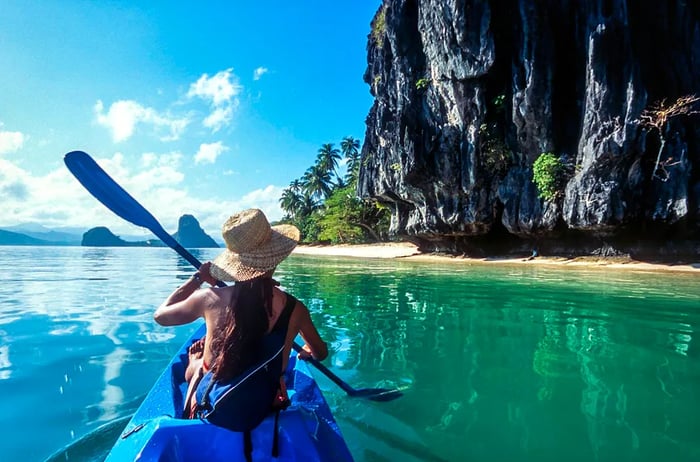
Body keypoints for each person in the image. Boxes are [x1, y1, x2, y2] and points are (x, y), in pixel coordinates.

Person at [154, 208, 328, 419]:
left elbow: (161, 316)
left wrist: (197, 279)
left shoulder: (209, 298)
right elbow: (321, 353)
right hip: (266, 405)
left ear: (234, 262)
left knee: (200, 365)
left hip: (213, 404)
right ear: (275, 257)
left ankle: (195, 365)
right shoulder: (295, 308)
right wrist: (308, 350)